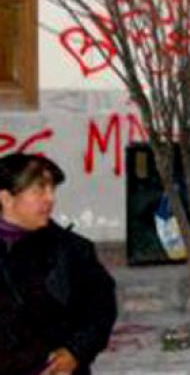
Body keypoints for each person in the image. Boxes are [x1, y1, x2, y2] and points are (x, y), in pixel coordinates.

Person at [0, 153, 118, 375]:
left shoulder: (71, 251)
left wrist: (76, 352)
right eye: (39, 190)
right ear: (7, 198)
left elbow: (101, 307)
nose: (50, 198)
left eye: (52, 189)